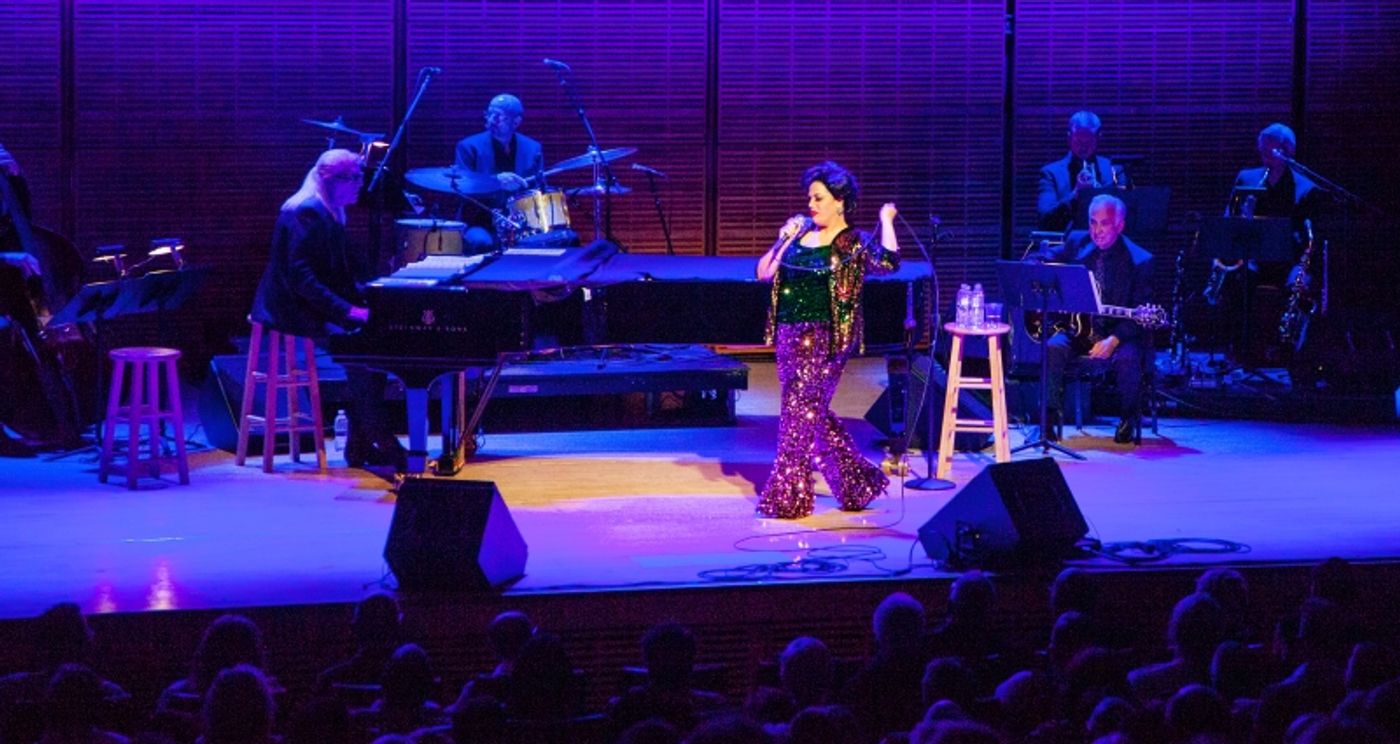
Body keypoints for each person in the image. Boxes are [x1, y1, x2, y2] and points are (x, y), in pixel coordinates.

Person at [755, 161, 899, 519]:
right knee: (809, 412)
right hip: (789, 335)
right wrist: (784, 237)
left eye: (818, 198)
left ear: (840, 201)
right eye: (809, 198)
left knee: (796, 413)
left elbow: (891, 263)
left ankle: (788, 495)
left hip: (827, 338)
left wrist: (887, 221)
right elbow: (763, 273)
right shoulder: (799, 234)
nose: (811, 204)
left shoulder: (854, 242)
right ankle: (856, 484)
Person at [249, 148, 406, 469]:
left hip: (311, 303)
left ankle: (360, 445)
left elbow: (346, 268)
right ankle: (380, 438)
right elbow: (302, 279)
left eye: (359, 177)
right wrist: (347, 311)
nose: (358, 184)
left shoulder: (330, 209)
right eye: (351, 178)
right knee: (362, 355)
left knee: (373, 352)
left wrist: (383, 291)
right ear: (326, 179)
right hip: (292, 309)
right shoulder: (305, 212)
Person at [1031, 193, 1153, 444]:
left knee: (1129, 357)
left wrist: (1113, 340)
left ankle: (1129, 418)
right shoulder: (1077, 242)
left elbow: (1138, 315)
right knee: (1053, 347)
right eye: (1092, 222)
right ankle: (1049, 420)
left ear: (1120, 225)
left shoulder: (1140, 261)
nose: (1097, 230)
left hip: (1117, 331)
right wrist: (1035, 265)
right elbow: (1045, 258)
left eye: (1104, 223)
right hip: (1078, 328)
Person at [453, 94, 545, 253]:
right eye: (490, 114)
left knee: (561, 239)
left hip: (521, 222)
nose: (492, 120)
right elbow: (463, 187)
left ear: (516, 122)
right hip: (481, 221)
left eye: (500, 116)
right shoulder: (468, 146)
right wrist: (495, 181)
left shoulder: (533, 148)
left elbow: (539, 190)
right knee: (481, 242)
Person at [1037, 110, 1118, 231]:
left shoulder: (1112, 169)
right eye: (1078, 141)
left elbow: (1124, 214)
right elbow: (1044, 219)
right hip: (1064, 245)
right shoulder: (1050, 173)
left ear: (1098, 137)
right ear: (1069, 137)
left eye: (1089, 141)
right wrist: (1076, 194)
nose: (1083, 146)